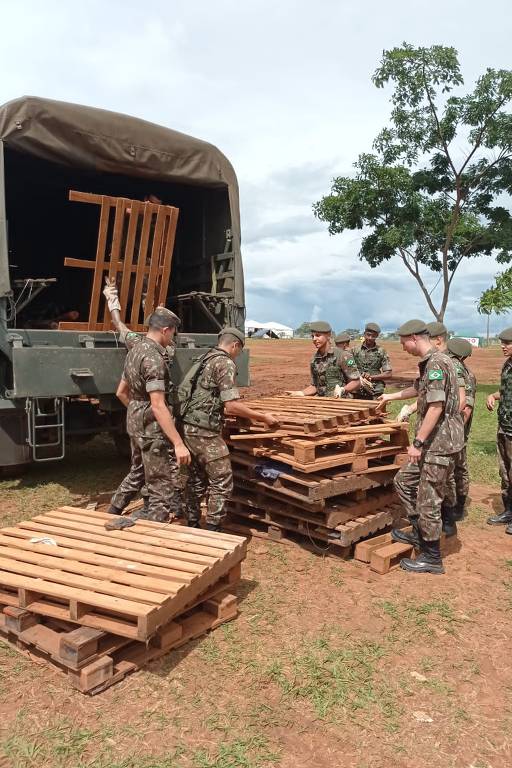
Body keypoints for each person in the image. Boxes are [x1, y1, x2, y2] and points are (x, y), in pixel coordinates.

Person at [377, 319, 464, 574]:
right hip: (434, 444)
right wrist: (390, 396)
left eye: (403, 341)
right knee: (403, 481)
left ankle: (431, 556)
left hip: (438, 445)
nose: (402, 346)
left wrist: (417, 443)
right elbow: (420, 389)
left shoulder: (437, 363)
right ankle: (419, 532)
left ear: (414, 337)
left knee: (429, 499)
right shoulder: (433, 362)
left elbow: (435, 406)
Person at [181, 327, 279, 532]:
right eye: (239, 350)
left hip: (189, 427)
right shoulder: (225, 362)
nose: (238, 354)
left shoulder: (205, 357)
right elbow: (231, 405)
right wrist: (262, 417)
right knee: (222, 479)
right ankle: (213, 528)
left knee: (196, 478)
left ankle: (192, 523)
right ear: (235, 345)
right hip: (205, 431)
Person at [103, 280, 180, 517]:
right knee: (160, 481)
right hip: (150, 422)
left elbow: (120, 392)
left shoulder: (134, 345)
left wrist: (111, 297)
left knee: (137, 470)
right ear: (165, 331)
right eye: (173, 332)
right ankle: (155, 527)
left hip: (134, 417)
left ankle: (112, 511)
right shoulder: (157, 358)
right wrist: (177, 441)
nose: (173, 337)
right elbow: (158, 404)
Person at [287, 321, 361, 398]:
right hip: (322, 401)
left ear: (328, 336)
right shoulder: (314, 360)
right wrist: (301, 393)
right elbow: (315, 386)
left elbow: (356, 382)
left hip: (341, 401)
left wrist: (342, 389)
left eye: (318, 335)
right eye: (312, 336)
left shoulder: (343, 356)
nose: (314, 339)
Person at [446, 337, 476, 522]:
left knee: (458, 468)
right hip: (454, 431)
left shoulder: (461, 373)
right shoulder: (465, 371)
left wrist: (454, 431)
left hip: (456, 432)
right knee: (456, 468)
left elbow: (466, 407)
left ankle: (458, 506)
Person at [486, 327, 512, 533]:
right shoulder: (507, 365)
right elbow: (506, 391)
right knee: (505, 472)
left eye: (507, 343)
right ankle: (508, 511)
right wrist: (493, 395)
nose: (503, 346)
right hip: (504, 426)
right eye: (502, 342)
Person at [353, 323, 392, 400]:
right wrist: (357, 375)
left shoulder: (381, 351)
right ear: (364, 334)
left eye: (373, 336)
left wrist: (371, 377)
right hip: (357, 388)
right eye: (368, 335)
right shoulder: (355, 350)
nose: (370, 338)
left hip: (375, 389)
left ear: (377, 336)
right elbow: (348, 365)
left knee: (377, 411)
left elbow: (388, 373)